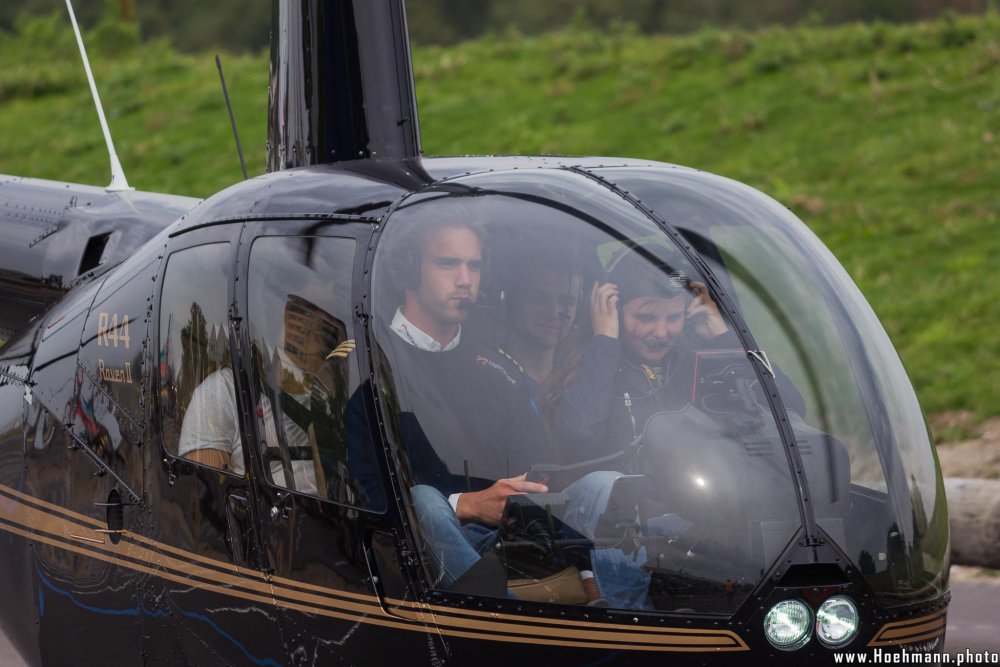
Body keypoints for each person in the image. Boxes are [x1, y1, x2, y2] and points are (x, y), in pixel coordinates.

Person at [375, 211, 557, 591]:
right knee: (423, 500)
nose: (465, 280)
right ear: (410, 269)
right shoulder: (369, 363)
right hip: (414, 548)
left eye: (473, 266)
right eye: (448, 264)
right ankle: (505, 621)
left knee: (604, 488)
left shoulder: (496, 368)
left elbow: (540, 466)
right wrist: (465, 505)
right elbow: (365, 488)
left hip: (508, 534)